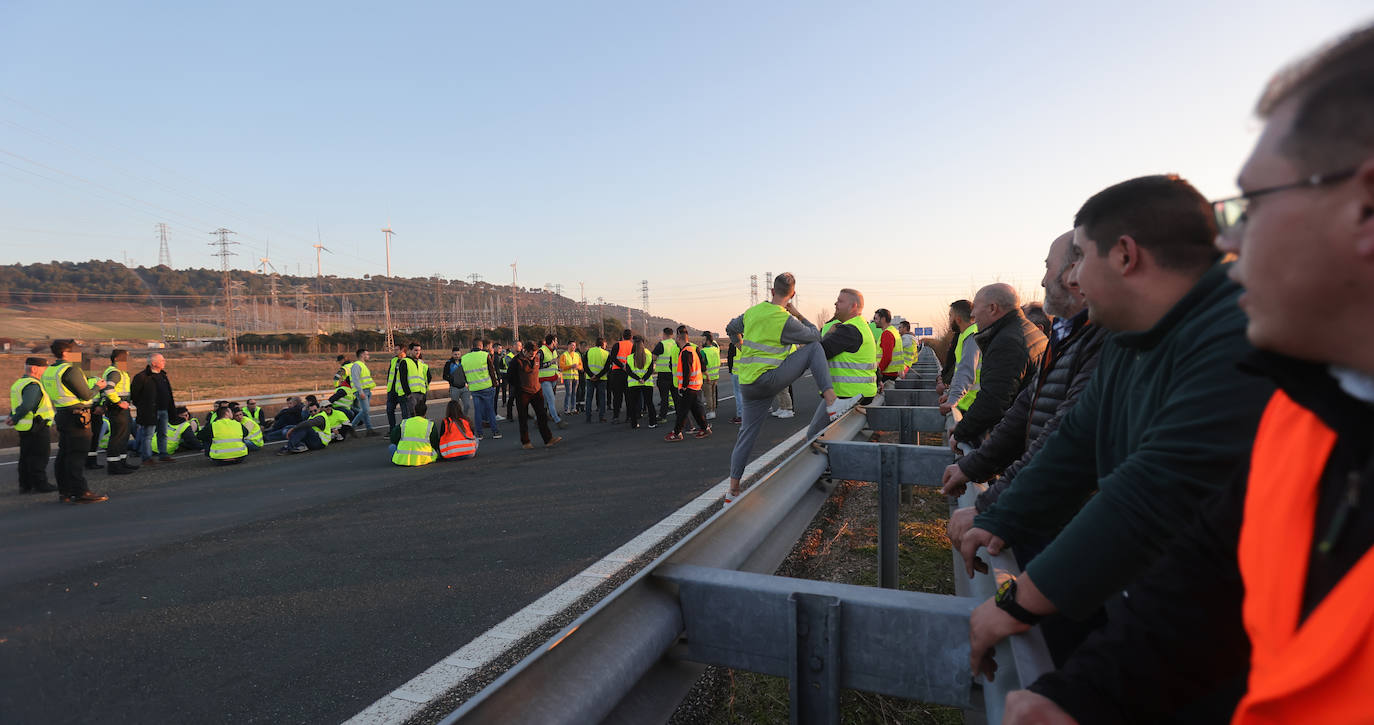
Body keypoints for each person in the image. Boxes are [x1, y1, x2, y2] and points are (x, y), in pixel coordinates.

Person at [1005, 24, 1374, 723]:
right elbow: (1211, 580)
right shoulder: (1315, 406)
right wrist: (1081, 697)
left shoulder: (1247, 354)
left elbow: (1156, 492)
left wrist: (1022, 598)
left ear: (1366, 207)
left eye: (1251, 207)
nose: (1227, 241)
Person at [957, 175, 1276, 675]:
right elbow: (1074, 442)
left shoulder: (1235, 335)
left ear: (1125, 256)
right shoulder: (1133, 338)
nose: (1072, 278)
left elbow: (1159, 489)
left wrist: (1024, 599)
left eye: (1080, 259)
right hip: (1151, 603)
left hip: (1227, 635)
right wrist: (1000, 516)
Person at [942, 232, 1110, 568]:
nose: (1045, 280)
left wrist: (990, 505)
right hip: (1043, 497)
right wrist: (975, 468)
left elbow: (1067, 433)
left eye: (1050, 268)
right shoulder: (1064, 335)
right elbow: (1026, 410)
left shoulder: (1103, 340)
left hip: (1067, 513)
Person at [725, 273, 849, 503]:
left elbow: (730, 328)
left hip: (748, 384)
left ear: (772, 291)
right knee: (813, 349)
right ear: (792, 294)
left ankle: (732, 491)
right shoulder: (785, 319)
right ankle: (832, 401)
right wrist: (797, 313)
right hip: (770, 379)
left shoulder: (752, 313)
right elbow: (815, 336)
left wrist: (739, 344)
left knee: (746, 435)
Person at [947, 283, 1048, 450]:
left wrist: (961, 433)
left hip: (1021, 439)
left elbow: (994, 400)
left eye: (976, 308)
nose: (972, 314)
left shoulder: (1008, 341)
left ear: (992, 308)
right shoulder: (1025, 330)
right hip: (1031, 433)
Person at [41, 339, 110, 503]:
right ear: (65, 353)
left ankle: (64, 492)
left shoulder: (50, 371)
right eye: (75, 350)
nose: (78, 353)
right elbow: (86, 395)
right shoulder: (70, 370)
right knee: (77, 456)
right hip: (77, 416)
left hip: (63, 414)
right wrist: (98, 387)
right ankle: (81, 492)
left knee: (64, 454)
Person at [806, 288, 877, 438]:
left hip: (846, 396)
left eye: (840, 301)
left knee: (814, 437)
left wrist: (828, 334)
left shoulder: (849, 330)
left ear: (853, 307)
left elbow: (819, 352)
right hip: (860, 394)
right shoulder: (861, 326)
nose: (835, 303)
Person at [9, 357, 56, 493]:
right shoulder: (33, 385)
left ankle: (25, 485)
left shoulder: (19, 383)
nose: (46, 370)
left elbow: (19, 405)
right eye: (44, 368)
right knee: (39, 457)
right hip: (37, 426)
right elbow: (27, 405)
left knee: (25, 457)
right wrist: (16, 417)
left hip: (25, 427)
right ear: (34, 369)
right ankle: (41, 485)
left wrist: (13, 417)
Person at [511, 341, 562, 449]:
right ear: (524, 351)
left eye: (534, 353)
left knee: (542, 415)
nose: (533, 356)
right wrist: (519, 386)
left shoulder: (537, 358)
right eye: (530, 354)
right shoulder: (516, 361)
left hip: (536, 390)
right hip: (523, 392)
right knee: (523, 418)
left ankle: (548, 439)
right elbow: (510, 377)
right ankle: (526, 442)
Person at [130, 352, 177, 469]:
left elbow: (168, 393)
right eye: (162, 360)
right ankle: (146, 457)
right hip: (150, 411)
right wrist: (143, 407)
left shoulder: (163, 376)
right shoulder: (142, 377)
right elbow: (135, 395)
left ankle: (163, 454)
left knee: (163, 433)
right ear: (153, 363)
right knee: (148, 435)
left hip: (164, 410)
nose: (164, 362)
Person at [94, 349, 136, 474]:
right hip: (117, 409)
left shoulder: (120, 372)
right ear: (117, 359)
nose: (127, 361)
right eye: (125, 359)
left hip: (121, 408)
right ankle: (114, 466)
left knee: (124, 436)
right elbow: (108, 389)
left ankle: (122, 462)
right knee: (118, 437)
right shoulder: (115, 372)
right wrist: (118, 402)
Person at [665, 326, 711, 441]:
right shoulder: (691, 349)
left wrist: (684, 386)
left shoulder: (686, 352)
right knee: (695, 409)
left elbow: (687, 371)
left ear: (678, 338)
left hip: (689, 386)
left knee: (682, 411)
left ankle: (677, 433)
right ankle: (705, 428)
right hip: (694, 385)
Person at [939, 300, 979, 421]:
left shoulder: (972, 336)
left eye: (950, 316)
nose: (949, 320)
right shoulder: (964, 335)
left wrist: (952, 400)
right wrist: (949, 393)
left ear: (958, 319)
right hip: (966, 401)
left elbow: (966, 371)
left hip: (972, 405)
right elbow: (958, 370)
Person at [461, 339, 502, 439]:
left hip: (474, 388)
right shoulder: (485, 355)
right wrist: (495, 383)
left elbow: (463, 373)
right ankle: (495, 432)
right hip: (486, 387)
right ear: (481, 346)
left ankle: (479, 434)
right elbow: (491, 370)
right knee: (490, 410)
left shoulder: (464, 358)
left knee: (477, 411)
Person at [279, 401, 350, 454]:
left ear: (319, 409)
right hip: (314, 439)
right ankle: (300, 445)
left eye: (315, 410)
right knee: (288, 428)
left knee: (304, 427)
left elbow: (309, 423)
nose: (313, 412)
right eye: (311, 411)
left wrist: (293, 429)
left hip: (320, 442)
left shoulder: (321, 417)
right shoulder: (312, 416)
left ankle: (289, 447)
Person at [391, 398, 439, 466]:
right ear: (425, 413)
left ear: (415, 411)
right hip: (423, 458)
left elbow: (393, 438)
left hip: (403, 459)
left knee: (392, 447)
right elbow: (434, 443)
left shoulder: (405, 422)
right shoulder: (430, 425)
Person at [537, 335, 569, 429]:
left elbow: (555, 364)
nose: (557, 342)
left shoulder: (554, 351)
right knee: (551, 400)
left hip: (553, 379)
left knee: (546, 401)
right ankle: (557, 420)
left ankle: (538, 419)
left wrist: (558, 371)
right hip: (544, 380)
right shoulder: (541, 351)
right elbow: (538, 365)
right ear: (552, 341)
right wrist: (550, 362)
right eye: (556, 341)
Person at [624, 336, 655, 430]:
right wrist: (643, 379)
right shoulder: (649, 356)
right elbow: (650, 371)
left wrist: (638, 379)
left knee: (632, 404)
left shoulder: (629, 358)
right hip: (647, 383)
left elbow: (628, 371)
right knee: (649, 403)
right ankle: (652, 423)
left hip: (634, 384)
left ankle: (634, 424)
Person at [651, 327, 678, 424]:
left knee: (664, 396)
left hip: (663, 374)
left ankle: (663, 416)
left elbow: (653, 357)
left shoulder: (662, 344)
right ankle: (680, 414)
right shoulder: (676, 344)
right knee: (675, 396)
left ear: (664, 334)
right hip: (674, 374)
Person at [385, 343, 415, 430]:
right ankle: (392, 429)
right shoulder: (393, 360)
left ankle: (406, 430)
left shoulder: (408, 361)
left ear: (402, 351)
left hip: (402, 391)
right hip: (392, 390)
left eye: (396, 349)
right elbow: (390, 375)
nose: (394, 351)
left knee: (405, 413)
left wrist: (408, 391)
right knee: (389, 410)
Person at [348, 348, 376, 436]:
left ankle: (369, 429)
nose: (368, 356)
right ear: (362, 355)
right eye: (367, 354)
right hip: (362, 391)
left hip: (367, 390)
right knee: (365, 410)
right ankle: (351, 426)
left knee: (365, 411)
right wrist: (360, 392)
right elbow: (355, 380)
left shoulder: (363, 365)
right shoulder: (357, 365)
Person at [442, 345, 472, 427]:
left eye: (458, 354)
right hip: (454, 388)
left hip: (464, 387)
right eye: (455, 354)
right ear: (452, 354)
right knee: (455, 407)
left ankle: (463, 418)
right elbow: (444, 376)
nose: (457, 356)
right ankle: (456, 420)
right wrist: (452, 380)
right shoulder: (448, 363)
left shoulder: (463, 362)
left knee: (467, 405)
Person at [608, 330, 634, 423]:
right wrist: (627, 367)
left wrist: (621, 365)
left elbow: (613, 358)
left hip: (617, 373)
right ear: (631, 337)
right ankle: (629, 416)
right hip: (629, 373)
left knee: (617, 396)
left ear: (622, 336)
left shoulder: (617, 345)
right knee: (629, 396)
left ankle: (616, 417)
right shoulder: (633, 346)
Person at [583, 337, 610, 423]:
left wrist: (591, 375)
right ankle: (601, 417)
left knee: (589, 398)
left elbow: (585, 364)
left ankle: (588, 417)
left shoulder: (588, 351)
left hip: (589, 378)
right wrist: (598, 376)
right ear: (603, 344)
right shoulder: (606, 353)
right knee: (602, 398)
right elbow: (606, 368)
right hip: (601, 379)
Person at [873, 308, 903, 383]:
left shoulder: (887, 334)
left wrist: (878, 372)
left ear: (883, 319)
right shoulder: (894, 331)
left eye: (876, 319)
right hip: (893, 373)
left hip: (886, 374)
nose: (874, 321)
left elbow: (887, 358)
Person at [700, 332, 722, 420]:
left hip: (707, 377)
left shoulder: (703, 351)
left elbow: (702, 365)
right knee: (712, 395)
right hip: (715, 376)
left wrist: (706, 375)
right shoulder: (715, 349)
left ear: (708, 341)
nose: (702, 341)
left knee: (708, 396)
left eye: (703, 339)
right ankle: (712, 410)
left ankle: (710, 412)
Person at [559, 341, 582, 416]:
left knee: (574, 394)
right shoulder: (564, 355)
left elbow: (581, 366)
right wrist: (571, 366)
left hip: (575, 377)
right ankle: (566, 409)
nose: (574, 347)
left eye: (575, 345)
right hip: (567, 377)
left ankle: (573, 408)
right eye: (572, 345)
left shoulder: (577, 355)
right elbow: (561, 366)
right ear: (568, 346)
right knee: (568, 393)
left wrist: (577, 367)